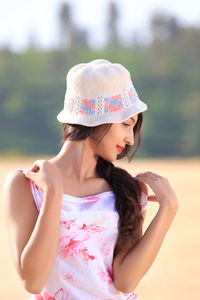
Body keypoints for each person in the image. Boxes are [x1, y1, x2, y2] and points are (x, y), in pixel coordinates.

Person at [3, 59, 179, 300]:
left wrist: (168, 209)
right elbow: (32, 281)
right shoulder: (25, 185)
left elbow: (125, 282)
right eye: (126, 124)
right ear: (97, 118)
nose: (130, 139)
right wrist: (54, 192)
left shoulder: (128, 190)